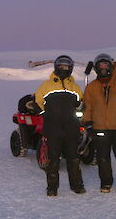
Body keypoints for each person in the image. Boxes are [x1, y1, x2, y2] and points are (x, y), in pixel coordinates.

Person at [83, 54, 116, 194]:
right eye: (100, 66)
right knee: (103, 158)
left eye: (106, 65)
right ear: (96, 68)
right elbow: (87, 107)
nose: (103, 68)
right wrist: (88, 123)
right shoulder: (91, 88)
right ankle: (106, 183)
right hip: (100, 129)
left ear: (111, 67)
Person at [35, 55, 86, 197]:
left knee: (73, 158)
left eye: (67, 66)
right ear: (57, 67)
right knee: (53, 159)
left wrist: (81, 109)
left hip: (71, 128)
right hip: (53, 128)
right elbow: (37, 101)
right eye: (61, 66)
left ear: (71, 68)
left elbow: (80, 103)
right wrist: (45, 114)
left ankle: (77, 185)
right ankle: (52, 188)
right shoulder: (47, 85)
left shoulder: (75, 87)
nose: (64, 69)